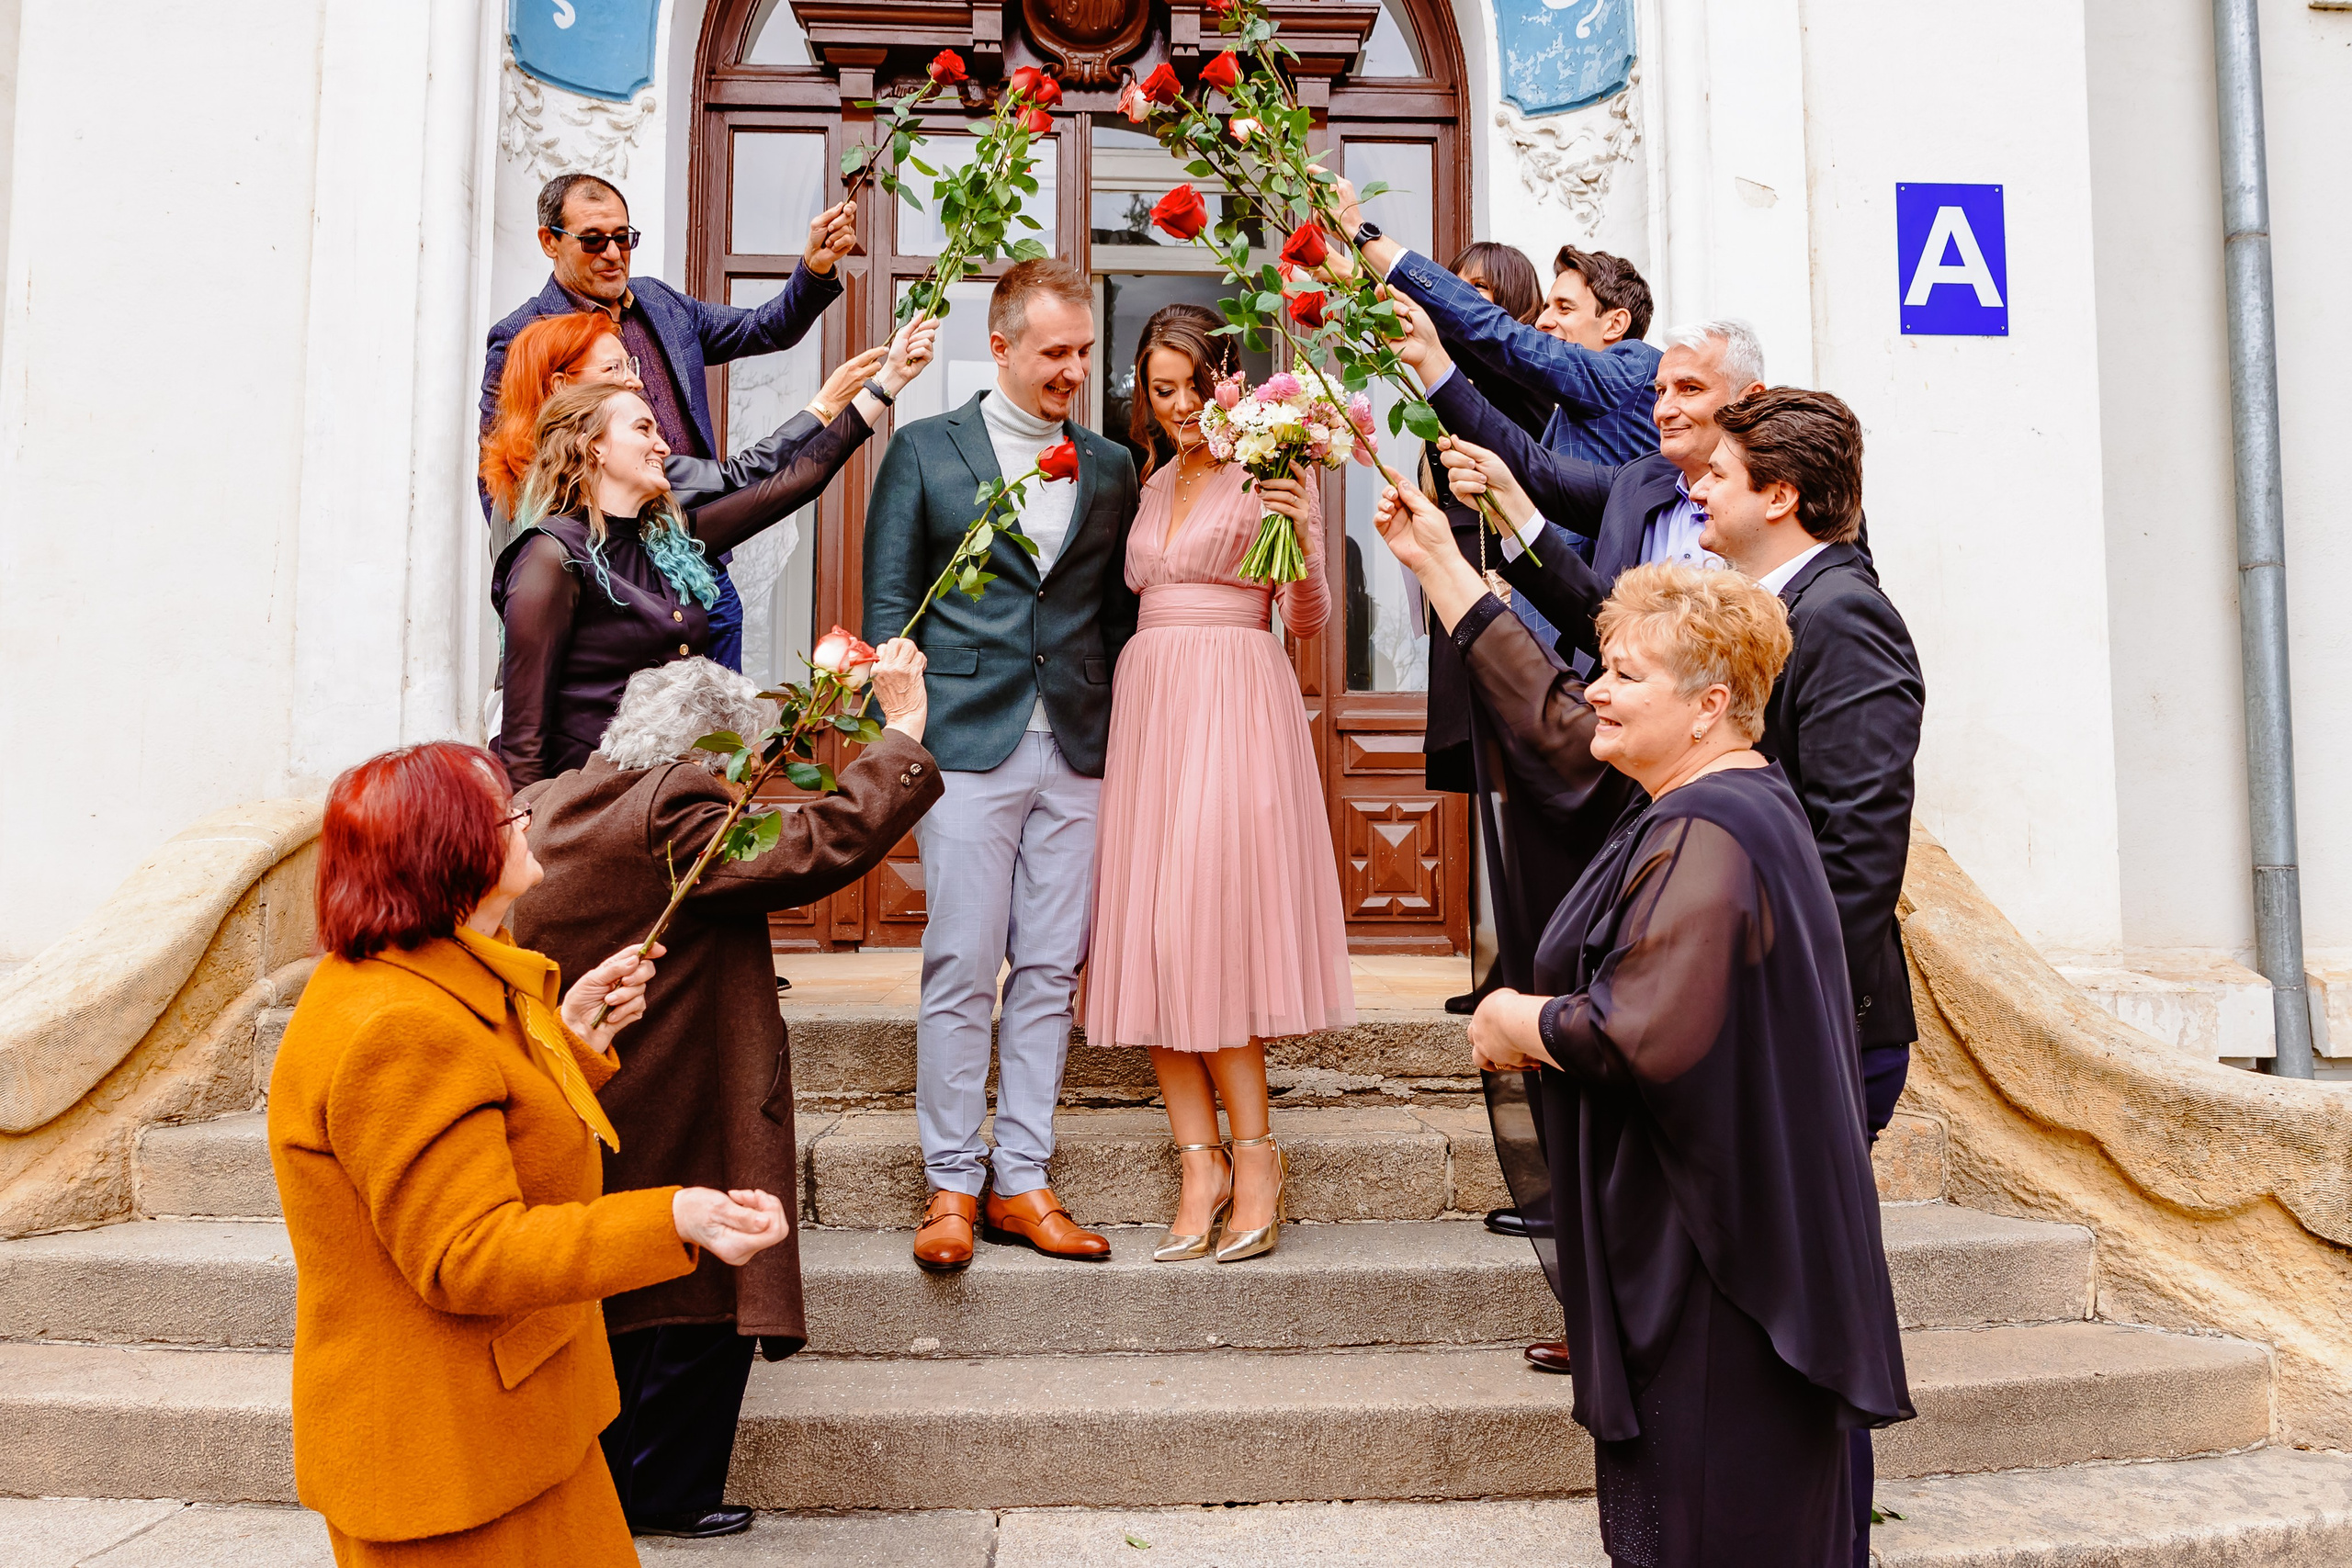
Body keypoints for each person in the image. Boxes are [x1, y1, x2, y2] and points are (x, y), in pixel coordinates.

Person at [1370, 492, 1914, 1562]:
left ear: (1709, 703)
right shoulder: (1706, 799)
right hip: (1710, 1247)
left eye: (1624, 676)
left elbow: (1643, 1030)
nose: (1597, 694)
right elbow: (1551, 719)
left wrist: (1519, 1018)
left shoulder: (1713, 824)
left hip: (1720, 1275)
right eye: (1601, 669)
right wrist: (1439, 559)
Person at [269, 739, 790, 1566]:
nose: (526, 821)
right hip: (453, 1461)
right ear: (450, 853)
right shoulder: (400, 1027)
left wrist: (572, 1042)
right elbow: (467, 1253)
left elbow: (492, 1133)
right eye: (505, 812)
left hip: (515, 1428)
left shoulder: (432, 978)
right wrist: (675, 1215)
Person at [511, 650, 944, 1540]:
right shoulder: (670, 806)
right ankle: (663, 1492)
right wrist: (900, 733)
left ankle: (625, 1486)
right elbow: (807, 851)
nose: (741, 779)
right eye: (736, 762)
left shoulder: (556, 799)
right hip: (685, 1090)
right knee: (706, 1289)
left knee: (629, 1297)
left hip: (607, 1087)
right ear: (705, 753)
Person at [860, 258, 1142, 1273]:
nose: (1073, 370)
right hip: (965, 745)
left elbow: (1115, 617)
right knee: (961, 961)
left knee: (1051, 967)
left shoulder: (1110, 466)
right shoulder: (924, 453)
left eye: (1081, 352)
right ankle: (950, 1183)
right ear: (1003, 346)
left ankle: (1022, 1178)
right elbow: (890, 610)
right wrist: (902, 739)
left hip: (1075, 743)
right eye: (1054, 353)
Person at [1083, 304, 1353, 1263]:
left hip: (1235, 698)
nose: (1184, 406)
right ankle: (1197, 1163)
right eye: (1163, 391)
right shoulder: (1150, 481)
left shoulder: (1276, 468)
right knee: (1152, 933)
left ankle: (1258, 1158)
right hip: (1150, 707)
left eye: (1199, 387)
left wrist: (1305, 542)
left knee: (1207, 931)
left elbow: (1311, 623)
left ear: (1230, 383)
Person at [494, 316, 934, 787]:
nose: (662, 445)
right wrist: (536, 837)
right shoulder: (551, 557)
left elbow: (792, 484)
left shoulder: (669, 539)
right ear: (593, 446)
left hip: (671, 807)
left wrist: (886, 382)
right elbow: (523, 741)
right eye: (644, 429)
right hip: (591, 812)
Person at [483, 173, 859, 671]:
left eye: (624, 238)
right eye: (594, 240)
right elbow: (503, 482)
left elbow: (764, 327)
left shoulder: (660, 302)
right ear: (550, 241)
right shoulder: (520, 338)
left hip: (702, 555)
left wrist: (815, 265)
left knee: (724, 728)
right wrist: (550, 581)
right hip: (615, 578)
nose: (614, 255)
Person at [1394, 308, 1767, 662]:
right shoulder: (1638, 481)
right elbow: (1533, 466)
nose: (1664, 410)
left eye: (1689, 389)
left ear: (1751, 398)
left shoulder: (1782, 501)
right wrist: (1430, 361)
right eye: (1660, 392)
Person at [480, 310, 890, 557]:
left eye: (632, 365)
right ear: (559, 386)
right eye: (614, 369)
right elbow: (743, 477)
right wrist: (825, 406)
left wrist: (841, 403)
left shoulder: (518, 493)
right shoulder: (618, 480)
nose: (635, 382)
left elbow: (786, 484)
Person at [1329, 175, 1661, 479]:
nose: (1543, 321)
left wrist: (1361, 235)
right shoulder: (1567, 413)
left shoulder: (1634, 369)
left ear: (1615, 323)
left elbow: (1496, 332)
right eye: (1547, 306)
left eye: (1565, 307)